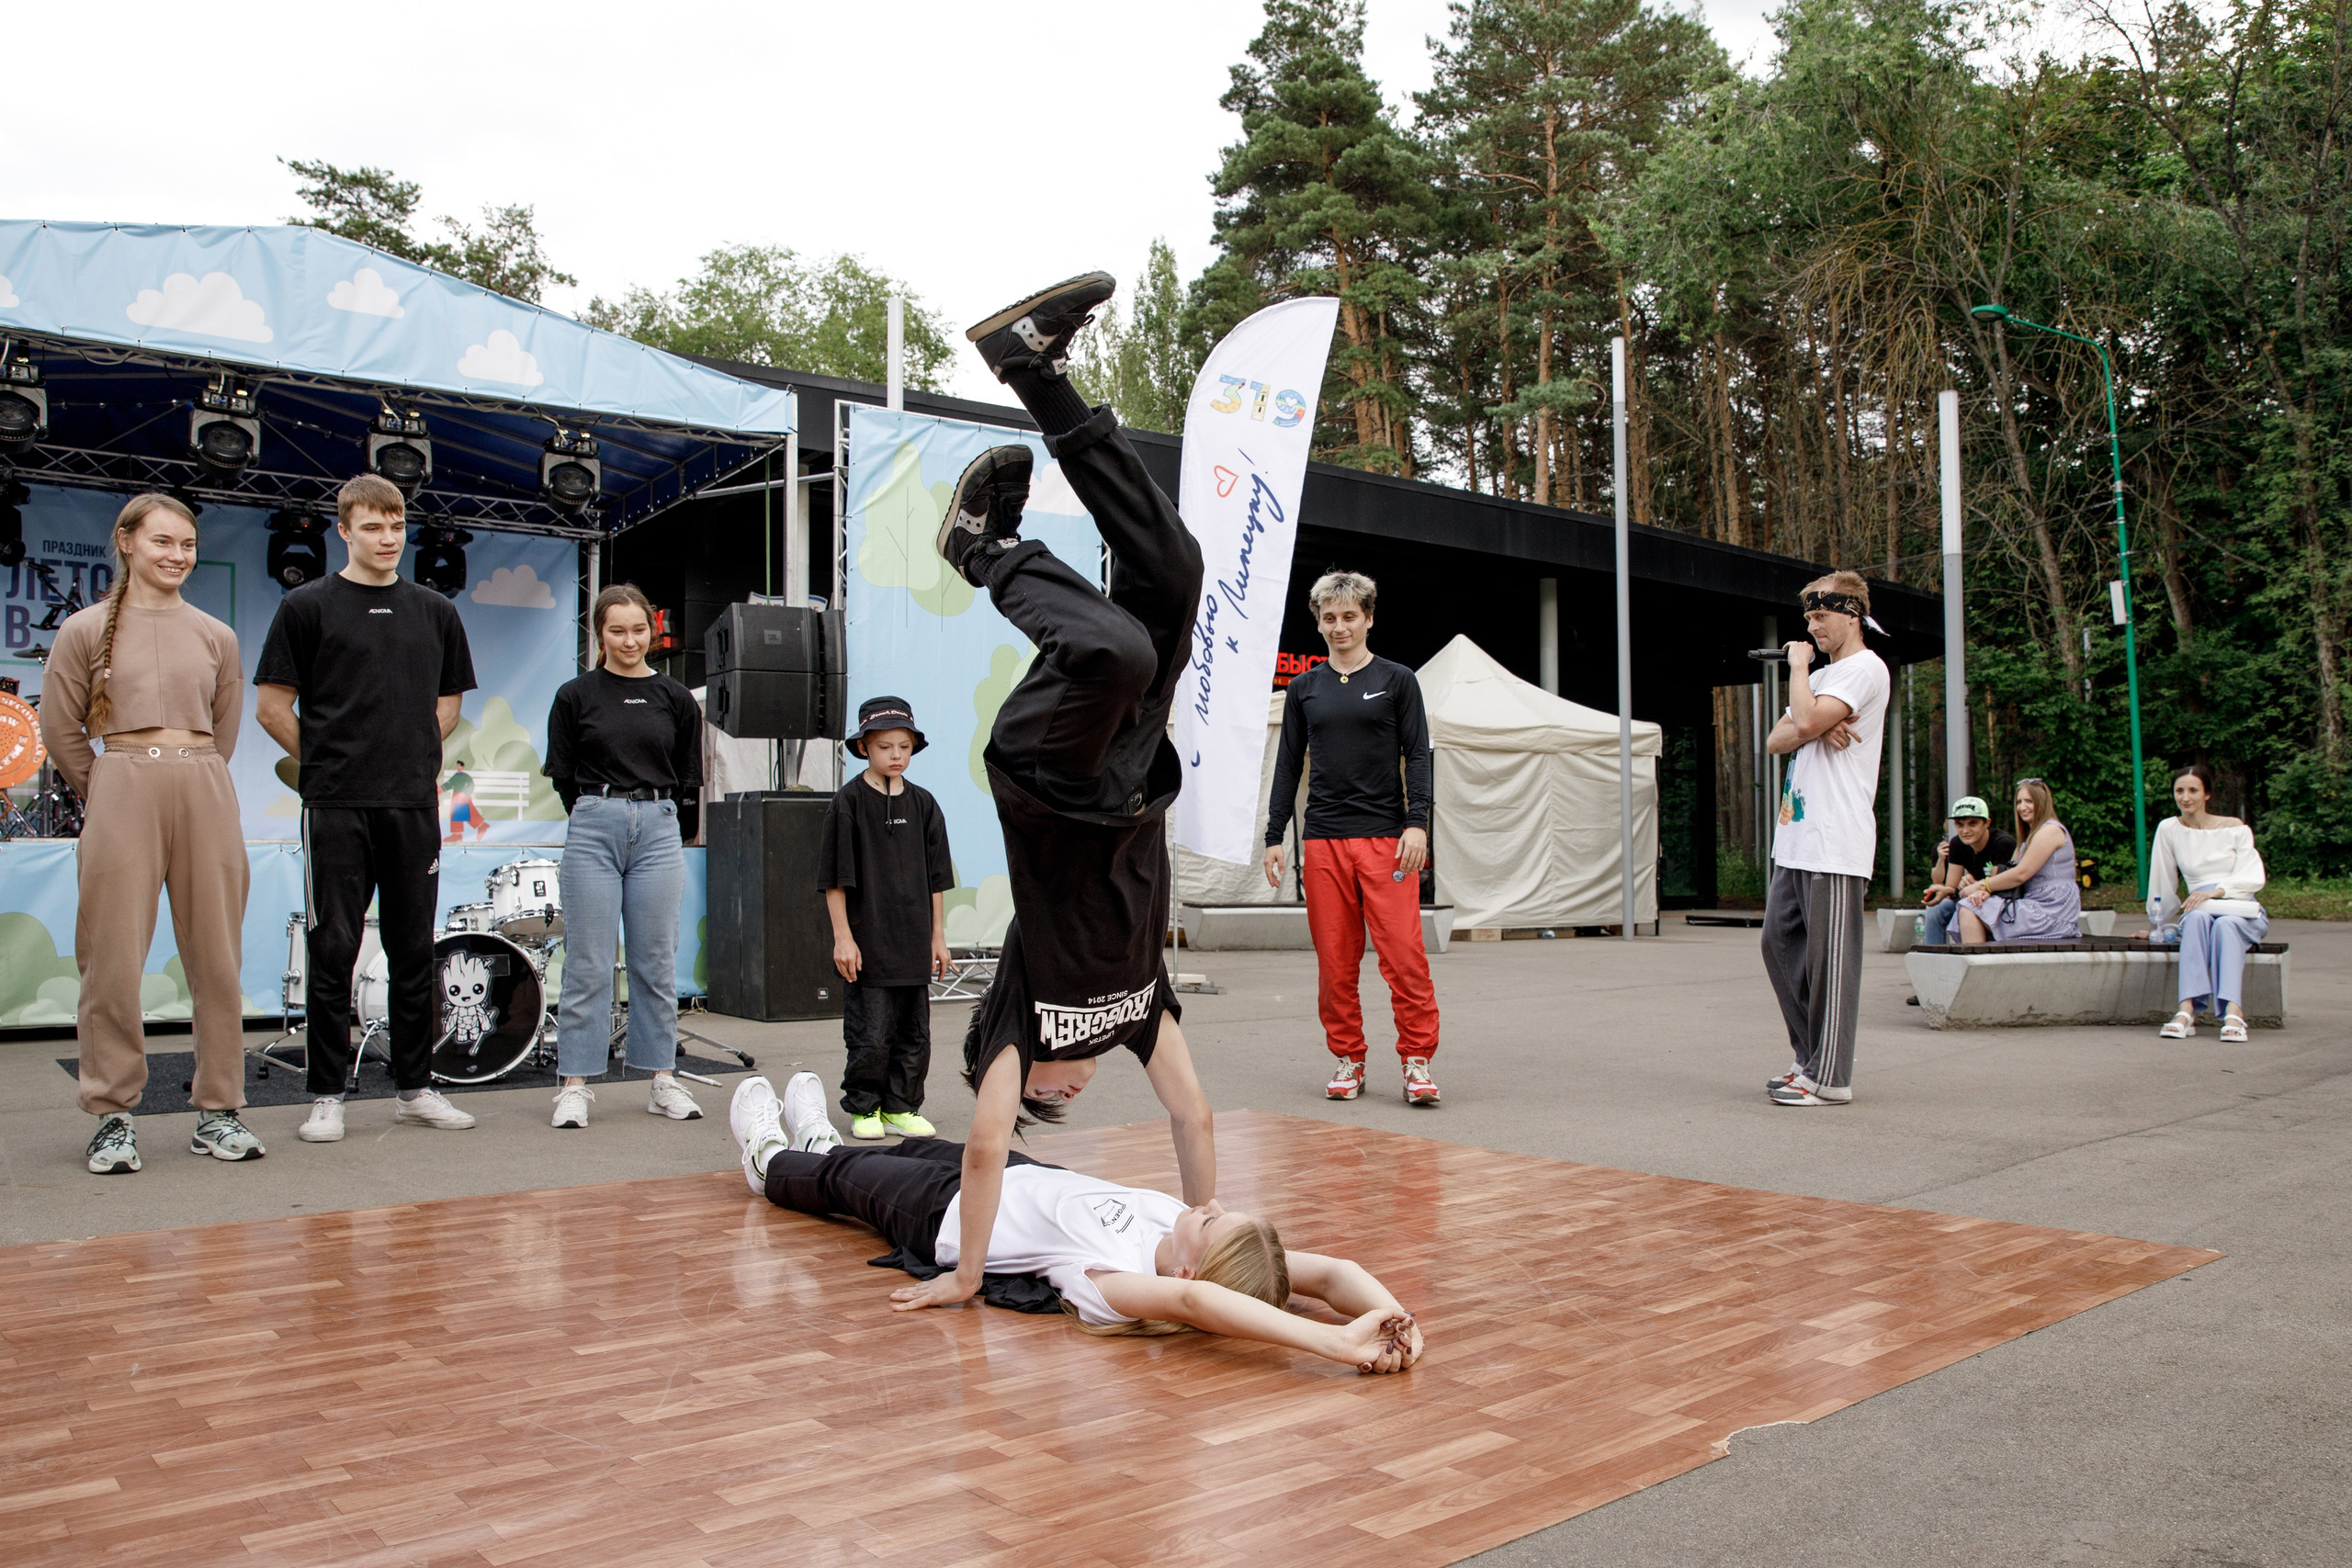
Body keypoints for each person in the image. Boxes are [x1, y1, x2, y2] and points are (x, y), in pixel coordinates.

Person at [888, 269, 1216, 1314]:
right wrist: (1199, 1230)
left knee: (1113, 649)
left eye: (1049, 1106)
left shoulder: (1022, 1024)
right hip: (1125, 780)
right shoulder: (1136, 1020)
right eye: (1068, 1102)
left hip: (1044, 779)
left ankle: (976, 547)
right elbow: (1194, 1122)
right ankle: (1030, 364)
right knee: (1172, 571)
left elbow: (984, 1151)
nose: (1064, 1095)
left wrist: (966, 1277)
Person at [729, 1074, 1424, 1371]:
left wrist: (1335, 1347)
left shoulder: (1115, 1285)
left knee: (843, 1184)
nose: (1209, 1205)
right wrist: (1395, 1320)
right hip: (1005, 1176)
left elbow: (1198, 1304)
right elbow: (1333, 1273)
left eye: (1214, 1224)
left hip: (940, 1218)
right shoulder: (1190, 1235)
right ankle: (820, 1141)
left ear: (1190, 1269)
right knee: (896, 1148)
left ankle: (772, 1160)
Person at [255, 474, 480, 1142]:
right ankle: (327, 1093)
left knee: (414, 950)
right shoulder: (307, 605)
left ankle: (415, 1086)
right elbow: (271, 706)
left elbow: (448, 705)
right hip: (336, 803)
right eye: (373, 525)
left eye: (397, 524)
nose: (388, 537)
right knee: (334, 948)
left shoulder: (435, 610)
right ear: (344, 529)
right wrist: (328, 761)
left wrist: (405, 753)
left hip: (411, 803)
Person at [40, 493, 258, 1174]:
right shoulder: (83, 629)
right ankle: (111, 1116)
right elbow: (58, 727)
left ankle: (218, 1110)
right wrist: (107, 783)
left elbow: (223, 730)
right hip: (121, 783)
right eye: (163, 541)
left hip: (203, 785)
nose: (177, 555)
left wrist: (189, 776)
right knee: (110, 957)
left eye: (188, 544)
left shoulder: (215, 634)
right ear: (127, 542)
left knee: (218, 959)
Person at [1261, 570, 1441, 1106]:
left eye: (1349, 617)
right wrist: (1276, 835)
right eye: (1329, 618)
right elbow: (1288, 764)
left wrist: (1418, 822)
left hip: (1387, 838)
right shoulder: (1304, 688)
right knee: (1336, 960)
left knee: (1404, 955)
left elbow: (1419, 755)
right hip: (1324, 841)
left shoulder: (1398, 679)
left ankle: (1416, 1061)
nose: (1339, 626)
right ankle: (1348, 1059)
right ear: (1318, 623)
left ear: (1367, 618)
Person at [543, 583, 704, 1129]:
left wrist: (661, 821)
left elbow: (688, 777)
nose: (630, 640)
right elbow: (563, 774)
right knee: (587, 962)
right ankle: (575, 1085)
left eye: (639, 629)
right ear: (600, 634)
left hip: (659, 830)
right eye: (618, 630)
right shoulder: (575, 695)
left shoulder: (676, 697)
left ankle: (662, 1078)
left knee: (655, 961)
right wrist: (598, 810)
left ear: (652, 631)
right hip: (593, 824)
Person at [1760, 571, 1891, 1107]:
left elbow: (1805, 719)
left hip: (1837, 838)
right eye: (1808, 617)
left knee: (1830, 960)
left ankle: (1831, 1077)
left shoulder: (1863, 668)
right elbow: (1776, 739)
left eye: (1821, 616)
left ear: (1851, 614)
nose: (1812, 627)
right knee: (1778, 944)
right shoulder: (1824, 678)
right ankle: (1808, 1058)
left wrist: (1801, 681)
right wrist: (1812, 722)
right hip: (1797, 839)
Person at [820, 695, 954, 1141]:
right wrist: (844, 938)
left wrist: (938, 936)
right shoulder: (848, 803)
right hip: (868, 942)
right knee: (871, 1033)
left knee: (915, 1033)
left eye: (904, 746)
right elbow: (834, 880)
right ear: (864, 749)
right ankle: (864, 1107)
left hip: (913, 941)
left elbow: (937, 878)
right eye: (885, 747)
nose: (896, 755)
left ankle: (902, 1107)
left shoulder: (925, 804)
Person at [2143, 763, 2268, 1043]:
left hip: (2238, 906)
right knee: (2197, 919)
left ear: (2207, 794)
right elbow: (2162, 880)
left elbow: (2253, 877)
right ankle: (2186, 1010)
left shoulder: (2235, 828)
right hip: (2200, 908)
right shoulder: (2170, 829)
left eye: (2192, 790)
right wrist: (2158, 923)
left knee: (2226, 926)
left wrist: (2217, 892)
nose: (2185, 797)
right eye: (2179, 791)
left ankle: (2233, 1010)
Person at [1956, 779, 2081, 943]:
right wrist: (1986, 892)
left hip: (2052, 910)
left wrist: (1982, 885)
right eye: (2019, 802)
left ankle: (1979, 966)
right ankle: (1981, 964)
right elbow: (2009, 872)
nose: (2022, 807)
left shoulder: (2050, 830)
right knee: (1974, 903)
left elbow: (2021, 874)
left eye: (2029, 801)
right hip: (2034, 904)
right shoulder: (2028, 838)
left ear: (2042, 802)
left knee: (1970, 908)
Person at [1917, 795, 2017, 945]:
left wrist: (1972, 886)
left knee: (1969, 907)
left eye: (1973, 823)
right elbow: (1951, 887)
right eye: (1959, 824)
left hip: (2001, 900)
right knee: (1936, 909)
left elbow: (1996, 887)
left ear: (1986, 823)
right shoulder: (1957, 843)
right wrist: (1945, 891)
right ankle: (1934, 958)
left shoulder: (2002, 843)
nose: (1965, 830)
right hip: (1972, 896)